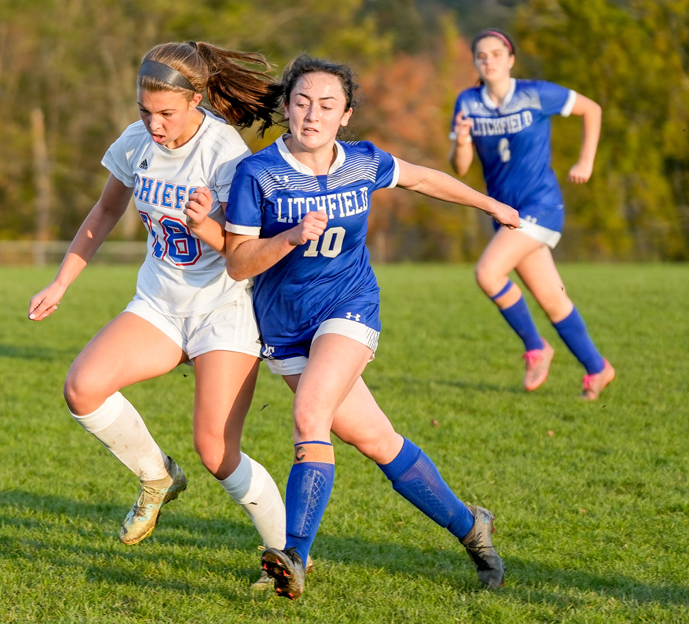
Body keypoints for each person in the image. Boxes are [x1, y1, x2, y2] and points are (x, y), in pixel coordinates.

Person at [223, 55, 520, 599]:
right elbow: (238, 263)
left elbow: (424, 179)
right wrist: (286, 239)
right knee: (379, 441)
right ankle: (471, 526)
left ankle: (295, 555)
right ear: (286, 107)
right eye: (303, 101)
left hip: (349, 306)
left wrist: (489, 203)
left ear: (346, 114)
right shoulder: (257, 174)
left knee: (310, 412)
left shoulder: (363, 161)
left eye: (327, 105)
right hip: (286, 326)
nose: (313, 114)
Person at [28, 41, 295, 588]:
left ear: (197, 100)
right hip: (159, 303)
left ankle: (287, 554)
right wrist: (62, 281)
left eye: (166, 114)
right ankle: (157, 476)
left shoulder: (226, 155)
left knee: (217, 452)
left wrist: (210, 227)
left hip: (222, 309)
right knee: (82, 388)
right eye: (145, 111)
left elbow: (246, 257)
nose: (154, 124)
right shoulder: (136, 142)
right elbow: (105, 210)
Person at [450, 29, 614, 400]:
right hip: (507, 214)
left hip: (541, 206)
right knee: (552, 299)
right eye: (481, 55)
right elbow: (460, 168)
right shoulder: (467, 102)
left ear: (510, 59)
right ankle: (598, 367)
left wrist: (585, 160)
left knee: (488, 273)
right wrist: (461, 141)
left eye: (496, 53)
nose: (488, 60)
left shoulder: (535, 93)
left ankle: (536, 347)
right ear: (476, 63)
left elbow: (593, 108)